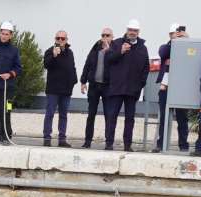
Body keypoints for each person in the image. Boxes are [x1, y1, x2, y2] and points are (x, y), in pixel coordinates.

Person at [103, 20, 149, 151]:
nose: (132, 32)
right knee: (112, 116)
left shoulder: (142, 48)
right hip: (116, 88)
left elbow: (146, 68)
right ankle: (109, 143)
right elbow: (109, 59)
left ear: (138, 32)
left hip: (132, 90)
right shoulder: (117, 43)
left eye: (135, 30)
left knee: (130, 119)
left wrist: (140, 85)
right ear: (127, 30)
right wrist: (120, 51)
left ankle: (127, 145)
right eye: (130, 30)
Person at [154, 24, 190, 152]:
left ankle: (183, 145)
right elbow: (162, 53)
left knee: (182, 119)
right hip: (166, 88)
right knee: (164, 117)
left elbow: (191, 57)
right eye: (173, 34)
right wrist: (173, 42)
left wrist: (187, 40)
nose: (177, 35)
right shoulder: (166, 46)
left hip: (180, 87)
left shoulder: (186, 46)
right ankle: (161, 144)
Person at [79, 28, 113, 148]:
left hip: (107, 86)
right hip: (94, 86)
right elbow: (87, 63)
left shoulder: (114, 49)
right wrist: (83, 82)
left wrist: (109, 51)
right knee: (91, 114)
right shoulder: (96, 47)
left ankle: (109, 143)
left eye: (107, 35)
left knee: (108, 115)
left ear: (112, 37)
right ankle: (87, 141)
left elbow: (117, 62)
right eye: (103, 35)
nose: (105, 37)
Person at [42, 30, 77, 147]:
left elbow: (72, 68)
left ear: (66, 40)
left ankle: (62, 139)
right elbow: (46, 64)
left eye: (63, 38)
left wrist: (74, 82)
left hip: (66, 90)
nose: (60, 40)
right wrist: (54, 55)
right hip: (53, 90)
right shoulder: (49, 51)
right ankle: (47, 138)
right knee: (50, 113)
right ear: (55, 39)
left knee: (63, 115)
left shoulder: (70, 52)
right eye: (58, 38)